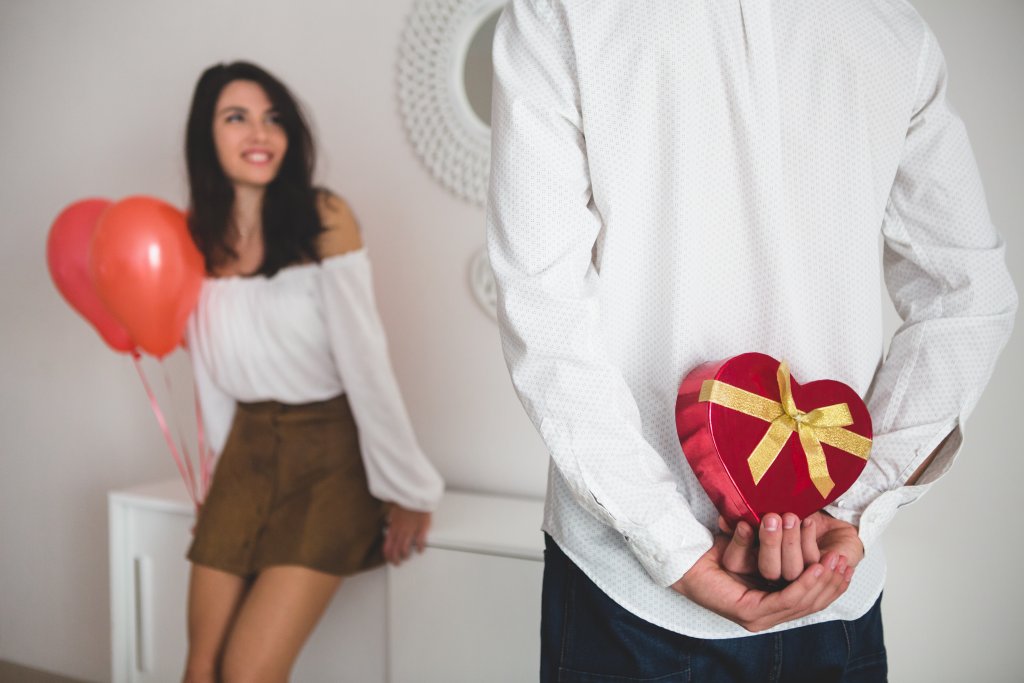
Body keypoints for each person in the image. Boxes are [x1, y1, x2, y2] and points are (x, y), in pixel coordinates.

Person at [486, 1, 1017, 681]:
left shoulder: (561, 15)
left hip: (633, 592)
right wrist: (847, 513)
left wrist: (673, 546)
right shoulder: (890, 30)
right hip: (829, 591)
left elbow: (545, 309)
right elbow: (970, 291)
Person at [180, 61, 444, 682]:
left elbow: (366, 363)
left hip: (328, 455)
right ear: (205, 135)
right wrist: (219, 482)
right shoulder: (195, 238)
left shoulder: (324, 217)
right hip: (245, 453)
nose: (260, 132)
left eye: (273, 118)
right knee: (200, 667)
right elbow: (210, 377)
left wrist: (409, 488)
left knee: (246, 672)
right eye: (236, 117)